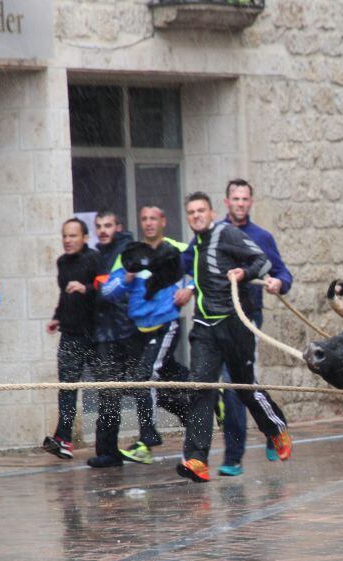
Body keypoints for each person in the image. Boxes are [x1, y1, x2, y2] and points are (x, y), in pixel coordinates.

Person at [176, 192, 292, 483]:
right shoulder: (195, 246)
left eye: (201, 210)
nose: (196, 215)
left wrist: (243, 273)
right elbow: (183, 269)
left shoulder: (226, 233)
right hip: (204, 326)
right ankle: (197, 458)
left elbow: (262, 262)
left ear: (212, 213)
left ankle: (276, 428)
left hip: (234, 322)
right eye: (191, 212)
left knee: (243, 387)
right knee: (200, 387)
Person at [99, 205, 191, 465]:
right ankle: (206, 399)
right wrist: (127, 278)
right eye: (144, 219)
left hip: (166, 323)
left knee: (145, 377)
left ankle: (147, 440)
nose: (149, 223)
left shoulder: (177, 249)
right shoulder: (131, 253)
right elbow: (107, 292)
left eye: (153, 218)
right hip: (140, 331)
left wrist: (190, 289)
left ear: (163, 221)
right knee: (163, 378)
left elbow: (201, 270)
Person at [217, 179, 293, 477]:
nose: (240, 203)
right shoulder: (215, 234)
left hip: (248, 318)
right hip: (217, 318)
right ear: (227, 202)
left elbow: (283, 273)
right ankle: (275, 427)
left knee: (234, 384)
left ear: (250, 202)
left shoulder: (262, 237)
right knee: (240, 382)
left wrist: (278, 283)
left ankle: (233, 458)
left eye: (244, 199)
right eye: (235, 198)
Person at [42, 219, 103, 461]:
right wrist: (57, 317)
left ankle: (107, 443)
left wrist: (85, 288)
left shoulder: (95, 259)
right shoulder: (62, 262)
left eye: (73, 236)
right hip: (70, 334)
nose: (67, 240)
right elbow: (64, 295)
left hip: (95, 335)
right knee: (67, 388)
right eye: (65, 236)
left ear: (85, 238)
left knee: (106, 388)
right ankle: (64, 439)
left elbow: (106, 291)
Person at [86, 210, 142, 468]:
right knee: (109, 393)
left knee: (147, 386)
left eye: (108, 225)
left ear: (118, 226)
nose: (103, 230)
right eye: (99, 226)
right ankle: (107, 450)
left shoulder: (127, 250)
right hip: (106, 333)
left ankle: (196, 405)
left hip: (125, 331)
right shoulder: (100, 255)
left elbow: (116, 292)